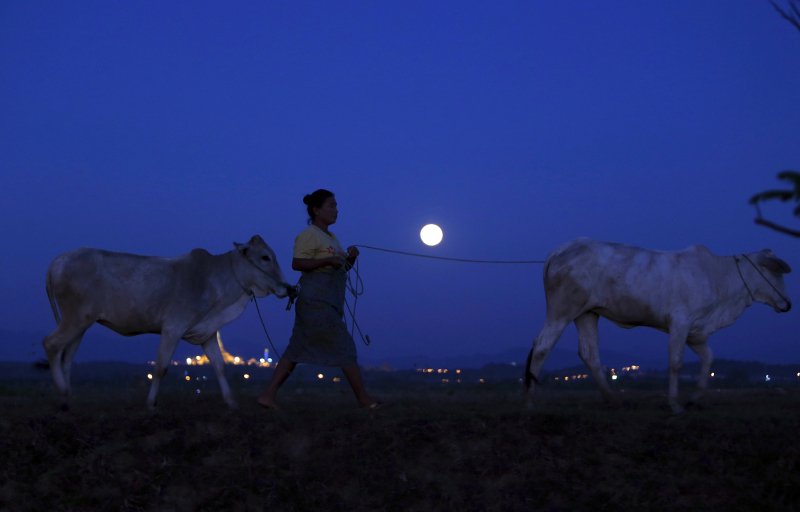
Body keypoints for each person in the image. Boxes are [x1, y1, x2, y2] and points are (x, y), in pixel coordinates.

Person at [257, 189, 381, 410]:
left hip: (327, 302)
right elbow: (297, 263)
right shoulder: (309, 235)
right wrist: (327, 261)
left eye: (336, 206)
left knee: (295, 350)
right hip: (316, 302)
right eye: (331, 206)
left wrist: (349, 258)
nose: (336, 210)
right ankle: (363, 399)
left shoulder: (331, 237)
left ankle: (268, 395)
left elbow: (338, 267)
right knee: (345, 348)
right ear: (316, 210)